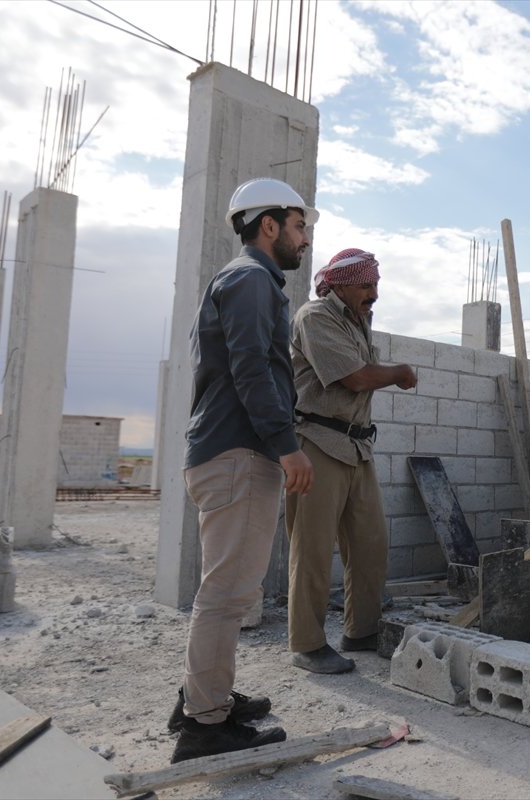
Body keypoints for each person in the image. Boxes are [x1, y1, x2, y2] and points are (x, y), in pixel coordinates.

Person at [168, 177, 316, 763]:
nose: (305, 239)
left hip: (224, 451)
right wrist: (287, 445)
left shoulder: (242, 281)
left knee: (225, 591)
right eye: (300, 226)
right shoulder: (253, 280)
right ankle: (204, 727)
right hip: (239, 454)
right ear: (270, 224)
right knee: (227, 595)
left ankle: (204, 697)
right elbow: (253, 367)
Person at [285, 247, 417, 674]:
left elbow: (362, 371)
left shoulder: (356, 321)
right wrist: (398, 372)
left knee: (370, 543)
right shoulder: (316, 317)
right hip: (319, 442)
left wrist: (384, 369)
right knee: (313, 548)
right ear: (338, 283)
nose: (373, 293)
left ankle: (360, 631)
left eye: (376, 284)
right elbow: (356, 377)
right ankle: (307, 644)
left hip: (357, 447)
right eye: (365, 284)